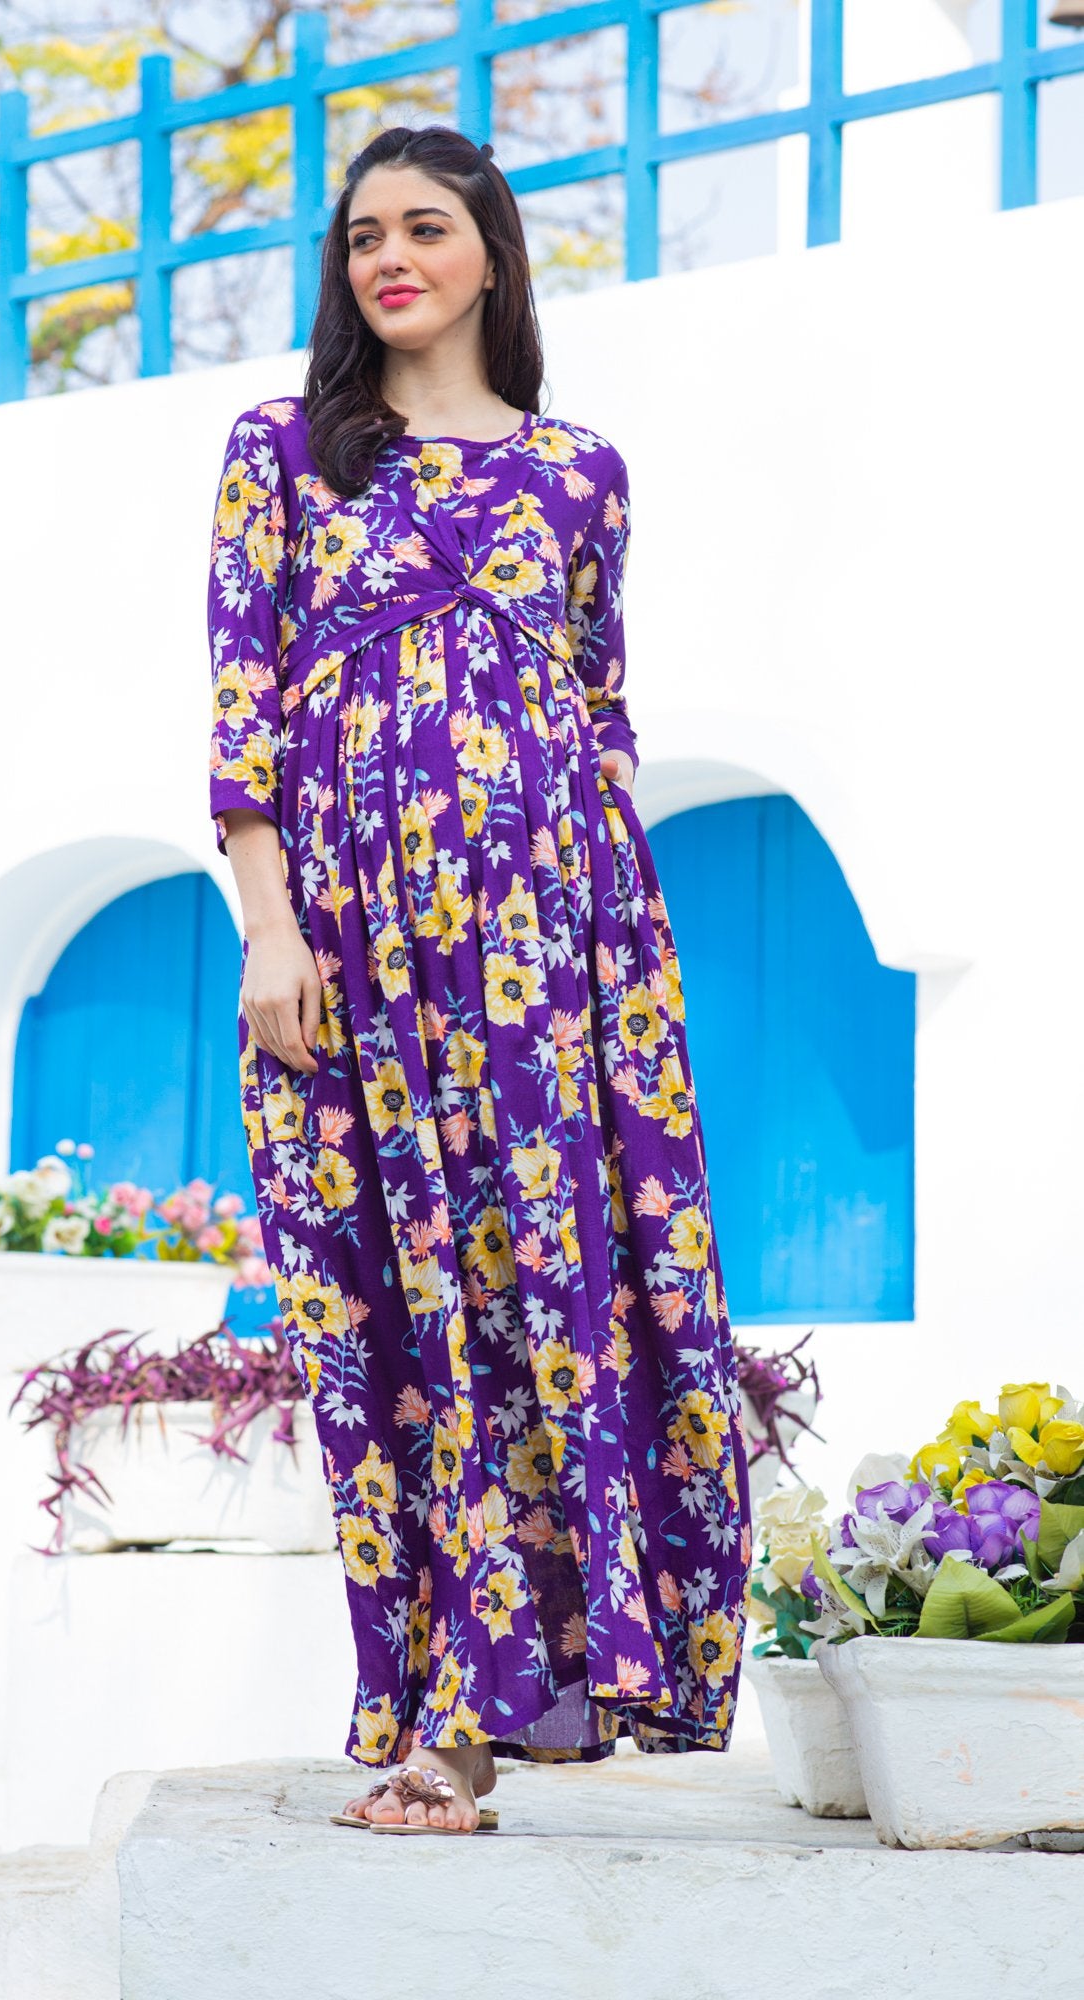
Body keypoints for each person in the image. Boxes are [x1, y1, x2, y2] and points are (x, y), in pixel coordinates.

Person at [207, 123, 752, 1837]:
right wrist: (270, 926)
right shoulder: (286, 452)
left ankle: (507, 1708)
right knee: (391, 1306)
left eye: (424, 227)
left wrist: (608, 939)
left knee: (560, 1300)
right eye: (362, 234)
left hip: (552, 954)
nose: (389, 257)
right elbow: (241, 708)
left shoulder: (581, 472)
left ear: (491, 255)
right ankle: (432, 1699)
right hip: (357, 950)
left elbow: (598, 708)